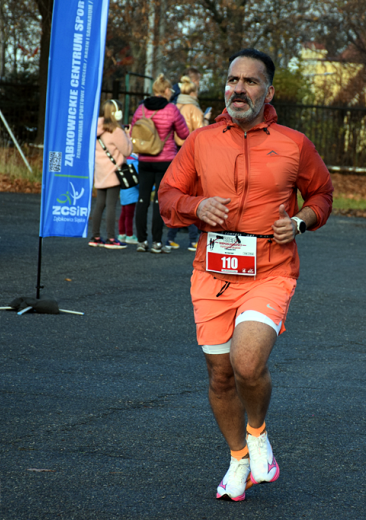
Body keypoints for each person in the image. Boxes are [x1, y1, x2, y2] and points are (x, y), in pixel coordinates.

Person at [158, 49, 334, 502]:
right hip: (212, 272)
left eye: (250, 82)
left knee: (247, 363)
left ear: (268, 91)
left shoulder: (294, 143)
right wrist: (196, 206)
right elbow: (168, 195)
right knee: (219, 376)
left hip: (270, 268)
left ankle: (258, 436)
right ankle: (239, 460)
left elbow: (322, 195)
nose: (239, 88)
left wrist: (299, 222)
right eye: (233, 80)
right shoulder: (200, 141)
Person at [130, 74, 189, 254]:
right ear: (164, 90)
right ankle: (157, 242)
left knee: (142, 200)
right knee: (159, 201)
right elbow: (184, 132)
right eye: (170, 89)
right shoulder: (171, 109)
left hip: (145, 159)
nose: (171, 92)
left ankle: (141, 241)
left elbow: (133, 131)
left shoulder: (140, 109)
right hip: (165, 160)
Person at [166, 74, 208, 251]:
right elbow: (200, 135)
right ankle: (193, 239)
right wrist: (206, 119)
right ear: (193, 92)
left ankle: (170, 237)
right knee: (192, 197)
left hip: (174, 153)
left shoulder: (175, 105)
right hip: (191, 154)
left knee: (179, 196)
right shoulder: (194, 109)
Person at [88, 99, 133, 249]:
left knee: (100, 204)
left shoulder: (96, 127)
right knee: (111, 205)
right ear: (115, 112)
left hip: (100, 172)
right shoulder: (116, 131)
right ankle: (111, 238)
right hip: (114, 173)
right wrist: (128, 136)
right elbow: (127, 151)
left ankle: (95, 236)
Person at [118, 152, 140, 245]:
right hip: (132, 193)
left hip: (123, 191)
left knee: (123, 214)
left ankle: (121, 234)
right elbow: (139, 180)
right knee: (129, 215)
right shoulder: (136, 163)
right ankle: (130, 235)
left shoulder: (123, 160)